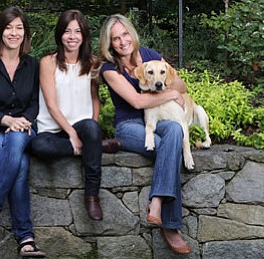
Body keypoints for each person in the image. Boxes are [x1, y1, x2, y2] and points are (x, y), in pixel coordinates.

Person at [98, 14, 191, 254]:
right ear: (109, 43)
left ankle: (157, 202)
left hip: (158, 118)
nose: (122, 41)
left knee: (174, 129)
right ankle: (170, 226)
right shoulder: (110, 69)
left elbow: (180, 84)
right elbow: (137, 101)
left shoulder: (150, 56)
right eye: (115, 38)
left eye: (125, 34)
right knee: (168, 147)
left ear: (132, 34)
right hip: (129, 125)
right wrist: (170, 94)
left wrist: (169, 86)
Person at [0, 6, 46, 258]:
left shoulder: (33, 65)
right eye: (9, 27)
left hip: (23, 129)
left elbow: (36, 102)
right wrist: (6, 120)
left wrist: (22, 121)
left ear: (25, 34)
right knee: (20, 160)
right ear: (0, 31)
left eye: (19, 28)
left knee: (16, 144)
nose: (14, 33)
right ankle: (25, 237)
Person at [30, 10, 103, 221]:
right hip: (53, 131)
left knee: (91, 129)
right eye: (67, 31)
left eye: (77, 31)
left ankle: (92, 195)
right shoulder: (48, 62)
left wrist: (94, 129)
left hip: (82, 126)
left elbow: (95, 98)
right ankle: (94, 147)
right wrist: (71, 134)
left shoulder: (93, 62)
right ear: (60, 34)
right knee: (39, 147)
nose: (72, 36)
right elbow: (51, 105)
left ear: (84, 35)